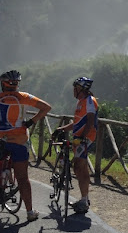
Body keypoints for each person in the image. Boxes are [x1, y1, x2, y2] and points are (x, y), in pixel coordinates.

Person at [0, 69, 52, 222]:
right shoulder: (23, 97)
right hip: (20, 141)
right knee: (22, 178)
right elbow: (46, 107)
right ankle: (29, 212)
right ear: (16, 85)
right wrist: (31, 122)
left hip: (1, 140)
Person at [53, 76, 98, 213]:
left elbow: (90, 120)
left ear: (80, 89)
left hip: (84, 139)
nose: (73, 91)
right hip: (78, 138)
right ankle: (84, 198)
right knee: (79, 168)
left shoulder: (89, 101)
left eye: (75, 88)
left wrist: (83, 138)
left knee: (80, 167)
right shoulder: (81, 102)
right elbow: (78, 123)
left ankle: (84, 201)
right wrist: (62, 129)